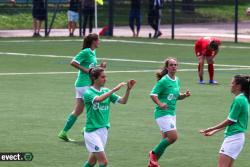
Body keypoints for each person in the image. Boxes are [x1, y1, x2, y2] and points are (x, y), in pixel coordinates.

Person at [82, 67, 136, 167]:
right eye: (102, 77)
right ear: (95, 78)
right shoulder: (88, 93)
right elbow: (98, 99)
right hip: (92, 132)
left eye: (105, 76)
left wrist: (128, 90)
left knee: (92, 162)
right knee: (103, 162)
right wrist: (114, 89)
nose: (105, 79)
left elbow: (123, 101)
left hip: (103, 131)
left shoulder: (106, 91)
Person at [58, 33, 106, 141]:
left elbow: (90, 67)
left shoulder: (93, 52)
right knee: (95, 106)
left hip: (81, 85)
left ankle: (63, 132)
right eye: (98, 40)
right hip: (84, 84)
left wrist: (99, 67)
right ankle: (86, 129)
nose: (99, 42)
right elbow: (73, 62)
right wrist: (86, 71)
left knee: (78, 110)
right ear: (93, 41)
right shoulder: (85, 52)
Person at [147, 57, 191, 167]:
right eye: (171, 65)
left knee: (165, 140)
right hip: (162, 114)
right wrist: (160, 104)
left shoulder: (177, 80)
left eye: (175, 65)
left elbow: (176, 96)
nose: (174, 67)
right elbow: (153, 94)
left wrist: (184, 96)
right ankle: (153, 154)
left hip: (171, 113)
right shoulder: (164, 81)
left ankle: (152, 164)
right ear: (167, 67)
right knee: (173, 137)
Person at [200, 75, 250, 167]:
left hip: (233, 138)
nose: (230, 85)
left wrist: (211, 128)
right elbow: (233, 121)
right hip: (238, 138)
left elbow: (230, 121)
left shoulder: (239, 100)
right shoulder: (244, 98)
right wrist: (214, 131)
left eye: (232, 83)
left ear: (238, 86)